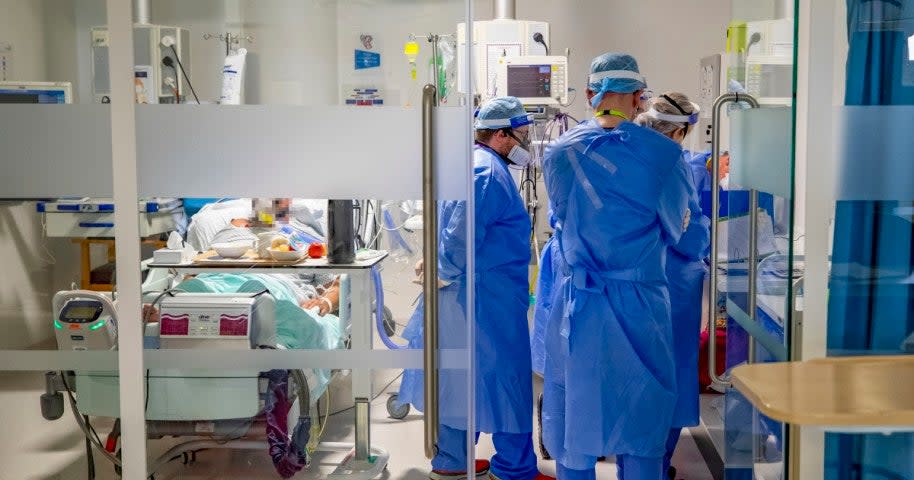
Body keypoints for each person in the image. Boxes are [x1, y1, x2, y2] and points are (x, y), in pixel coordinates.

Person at [539, 53, 693, 480]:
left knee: (576, 413)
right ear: (639, 98)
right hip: (640, 303)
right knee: (641, 413)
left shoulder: (558, 153)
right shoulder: (664, 156)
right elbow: (677, 228)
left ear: (590, 94)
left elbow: (560, 219)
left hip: (579, 304)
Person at [397, 97, 551, 480]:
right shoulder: (488, 173)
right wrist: (444, 267)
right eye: (522, 135)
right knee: (507, 377)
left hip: (464, 294)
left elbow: (451, 227)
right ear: (501, 135)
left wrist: (437, 265)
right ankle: (514, 469)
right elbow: (462, 232)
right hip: (484, 297)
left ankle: (452, 462)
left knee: (458, 378)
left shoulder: (472, 165)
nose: (526, 143)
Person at [636, 92, 711, 479]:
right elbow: (685, 231)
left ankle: (637, 455)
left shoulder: (629, 153)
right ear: (680, 131)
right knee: (674, 369)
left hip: (639, 280)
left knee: (640, 366)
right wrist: (705, 237)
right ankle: (656, 461)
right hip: (673, 282)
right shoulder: (672, 165)